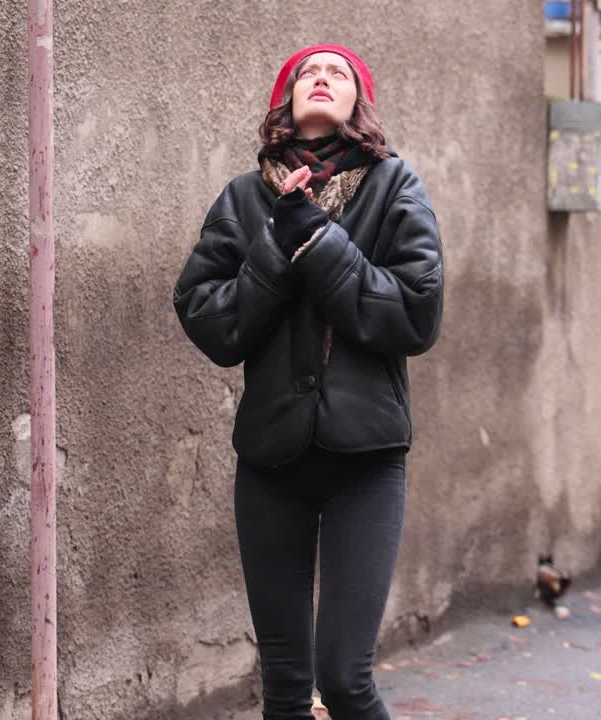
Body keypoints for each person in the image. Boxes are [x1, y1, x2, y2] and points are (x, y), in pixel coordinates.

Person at [172, 44, 444, 720]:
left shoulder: (394, 185)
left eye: (337, 73)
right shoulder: (243, 199)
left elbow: (415, 313)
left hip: (367, 461)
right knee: (286, 690)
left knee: (345, 678)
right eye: (307, 74)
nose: (321, 78)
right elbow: (210, 320)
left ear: (358, 103)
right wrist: (276, 243)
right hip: (270, 462)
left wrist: (318, 241)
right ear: (286, 102)